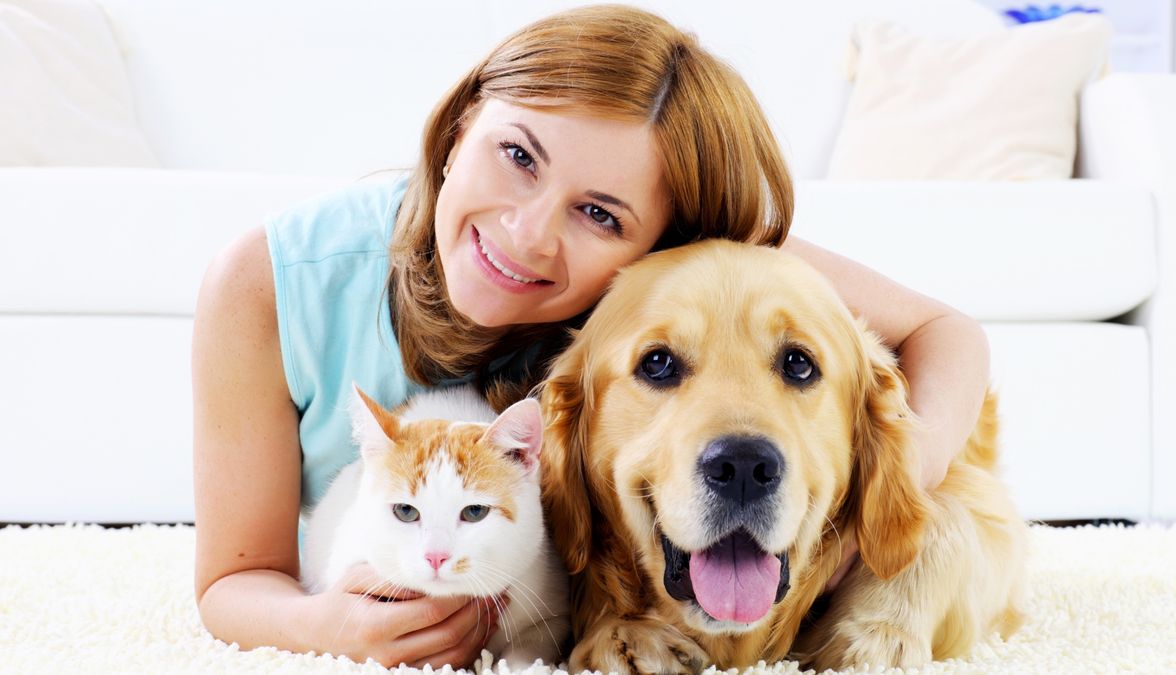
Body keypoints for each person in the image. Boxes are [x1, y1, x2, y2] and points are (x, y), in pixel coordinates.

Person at [192, 4, 990, 670]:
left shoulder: (672, 277)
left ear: (658, 239)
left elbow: (946, 331)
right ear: (465, 115)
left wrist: (890, 496)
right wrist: (323, 627)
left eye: (600, 212)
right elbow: (233, 580)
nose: (527, 232)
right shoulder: (267, 285)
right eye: (516, 155)